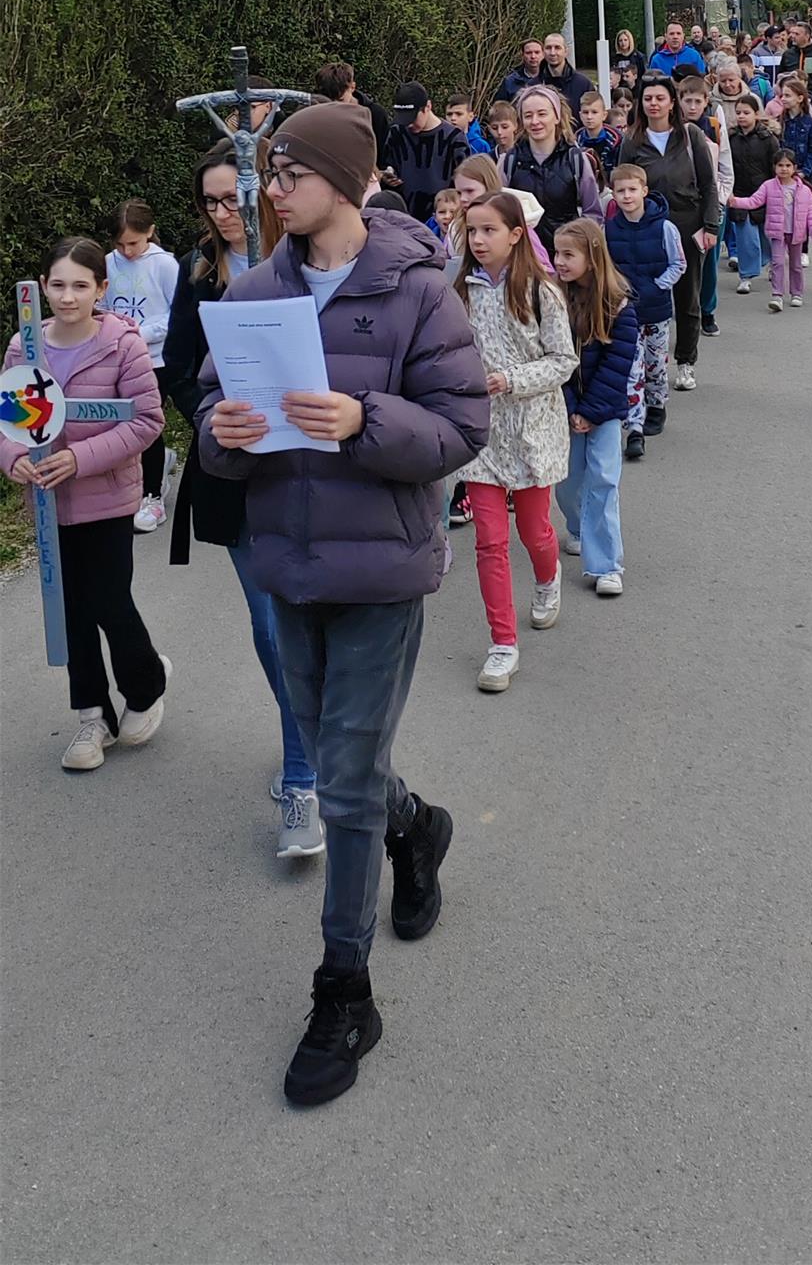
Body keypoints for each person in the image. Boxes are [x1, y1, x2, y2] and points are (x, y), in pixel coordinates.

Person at [196, 102, 489, 1109]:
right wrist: (221, 434)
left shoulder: (419, 292)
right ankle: (417, 826)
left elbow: (461, 428)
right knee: (337, 763)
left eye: (291, 175)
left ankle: (344, 993)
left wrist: (366, 420)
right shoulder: (253, 290)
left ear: (350, 181)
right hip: (288, 565)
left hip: (380, 574)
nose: (271, 191)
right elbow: (209, 416)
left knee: (344, 782)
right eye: (270, 175)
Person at [165, 142, 322, 859]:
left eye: (234, 197)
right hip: (233, 472)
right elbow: (178, 366)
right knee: (269, 628)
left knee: (303, 624)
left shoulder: (305, 258)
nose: (224, 212)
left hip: (305, 469)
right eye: (211, 201)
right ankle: (306, 756)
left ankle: (307, 772)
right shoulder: (199, 270)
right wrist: (213, 420)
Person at [0, 237, 167, 771]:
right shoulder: (23, 346)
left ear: (101, 288)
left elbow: (146, 421)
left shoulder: (123, 345)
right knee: (69, 608)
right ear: (42, 287)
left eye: (80, 285)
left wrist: (80, 458)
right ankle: (93, 717)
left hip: (107, 498)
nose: (67, 296)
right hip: (48, 502)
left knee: (109, 602)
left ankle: (146, 684)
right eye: (58, 285)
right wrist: (13, 459)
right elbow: (8, 421)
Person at [454, 192, 577, 692]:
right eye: (472, 231)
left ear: (516, 234)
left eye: (489, 230)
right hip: (481, 432)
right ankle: (502, 643)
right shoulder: (461, 290)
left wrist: (512, 379)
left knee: (534, 530)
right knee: (489, 539)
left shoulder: (541, 290)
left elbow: (563, 360)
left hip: (532, 429)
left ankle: (548, 578)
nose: (478, 240)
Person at [553, 220, 637, 594]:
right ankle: (577, 527)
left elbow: (617, 365)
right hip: (564, 409)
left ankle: (606, 566)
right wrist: (572, 407)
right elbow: (554, 358)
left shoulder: (619, 305)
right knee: (568, 482)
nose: (559, 261)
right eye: (557, 253)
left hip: (605, 410)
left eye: (568, 254)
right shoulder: (553, 300)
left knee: (603, 479)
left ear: (592, 256)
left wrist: (590, 411)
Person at [620, 75, 719, 390]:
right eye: (648, 98)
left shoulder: (691, 136)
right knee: (645, 295)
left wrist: (711, 225)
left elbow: (709, 184)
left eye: (660, 98)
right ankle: (645, 364)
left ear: (672, 103)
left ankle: (686, 361)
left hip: (687, 224)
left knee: (688, 297)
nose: (654, 104)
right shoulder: (632, 140)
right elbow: (621, 182)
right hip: (647, 228)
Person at [104, 198, 180, 532]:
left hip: (155, 360)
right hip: (118, 358)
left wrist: (138, 334)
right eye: (120, 244)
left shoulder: (165, 264)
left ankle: (152, 496)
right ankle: (146, 476)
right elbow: (101, 306)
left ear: (150, 231)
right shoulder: (108, 263)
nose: (127, 251)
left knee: (145, 426)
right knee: (121, 425)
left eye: (133, 243)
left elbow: (177, 313)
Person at [605, 164, 684, 459]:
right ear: (613, 194)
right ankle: (635, 427)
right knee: (630, 367)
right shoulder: (609, 230)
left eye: (632, 190)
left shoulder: (664, 228)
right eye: (620, 191)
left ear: (644, 191)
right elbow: (606, 267)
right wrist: (616, 293)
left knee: (655, 364)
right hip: (625, 312)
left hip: (656, 310)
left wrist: (657, 286)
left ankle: (656, 404)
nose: (627, 196)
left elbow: (678, 263)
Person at [501, 84, 602, 254]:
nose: (535, 121)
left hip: (566, 256)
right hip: (524, 256)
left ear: (556, 117)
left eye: (542, 114)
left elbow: (592, 214)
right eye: (528, 115)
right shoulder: (509, 161)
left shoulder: (576, 159)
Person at [676, 75, 734, 339]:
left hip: (711, 204)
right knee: (681, 258)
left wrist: (719, 200)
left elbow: (725, 165)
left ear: (706, 101)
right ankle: (683, 308)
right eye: (687, 101)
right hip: (682, 204)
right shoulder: (674, 129)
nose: (692, 107)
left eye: (697, 101)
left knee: (708, 261)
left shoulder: (713, 127)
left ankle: (707, 310)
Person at [729, 147, 812, 312]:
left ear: (794, 167)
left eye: (788, 165)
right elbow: (754, 201)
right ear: (774, 167)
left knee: (795, 265)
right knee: (777, 263)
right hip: (777, 233)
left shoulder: (804, 190)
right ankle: (777, 295)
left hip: (797, 233)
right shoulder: (769, 186)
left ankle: (796, 293)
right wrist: (735, 201)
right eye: (780, 165)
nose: (784, 169)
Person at [448, 154, 554, 274]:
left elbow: (545, 271)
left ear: (488, 186)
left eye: (470, 191)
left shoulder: (517, 225)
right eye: (459, 193)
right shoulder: (455, 228)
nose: (463, 198)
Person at [387, 81, 470, 222]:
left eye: (413, 118)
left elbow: (464, 183)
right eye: (403, 119)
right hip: (404, 219)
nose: (409, 124)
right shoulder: (396, 133)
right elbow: (385, 166)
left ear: (428, 107)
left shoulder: (454, 139)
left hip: (443, 221)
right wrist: (386, 175)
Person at [728, 93, 777, 291]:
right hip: (739, 194)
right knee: (745, 237)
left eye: (746, 112)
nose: (741, 116)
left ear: (756, 114)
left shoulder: (768, 139)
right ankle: (746, 275)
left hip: (764, 193)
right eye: (738, 112)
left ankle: (772, 262)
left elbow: (776, 166)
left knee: (767, 236)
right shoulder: (731, 139)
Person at [314, 60, 390, 167]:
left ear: (352, 87)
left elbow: (383, 158)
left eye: (340, 100)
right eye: (328, 101)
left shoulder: (376, 115)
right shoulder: (316, 115)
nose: (335, 106)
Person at [779, 21, 812, 127]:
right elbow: (781, 78)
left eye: (797, 34)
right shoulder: (788, 54)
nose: (792, 36)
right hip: (791, 102)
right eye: (792, 33)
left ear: (807, 36)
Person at [539, 32, 595, 124]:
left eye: (557, 48)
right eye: (548, 48)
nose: (552, 53)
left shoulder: (583, 84)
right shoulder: (534, 85)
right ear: (543, 52)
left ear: (566, 51)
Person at [780, 76, 812, 188]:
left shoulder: (809, 122)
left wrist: (805, 171)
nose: (783, 99)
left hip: (804, 175)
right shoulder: (780, 121)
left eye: (787, 96)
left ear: (800, 98)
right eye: (782, 95)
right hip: (784, 173)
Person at [576, 87, 622, 171]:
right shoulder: (575, 142)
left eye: (594, 112)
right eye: (585, 112)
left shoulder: (617, 140)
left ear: (604, 115)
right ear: (580, 115)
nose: (589, 117)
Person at [495, 38, 546, 106]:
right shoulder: (510, 81)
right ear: (522, 55)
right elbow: (500, 108)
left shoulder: (553, 78)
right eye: (528, 53)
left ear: (543, 55)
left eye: (537, 52)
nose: (533, 56)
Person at [445, 92, 491, 156]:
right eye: (449, 114)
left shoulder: (480, 146)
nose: (453, 118)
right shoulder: (440, 143)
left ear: (470, 117)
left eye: (459, 114)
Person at [610, 28, 643, 96]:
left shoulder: (638, 56)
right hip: (618, 90)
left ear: (630, 41)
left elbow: (642, 73)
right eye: (620, 40)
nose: (623, 43)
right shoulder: (614, 57)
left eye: (625, 40)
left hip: (635, 91)